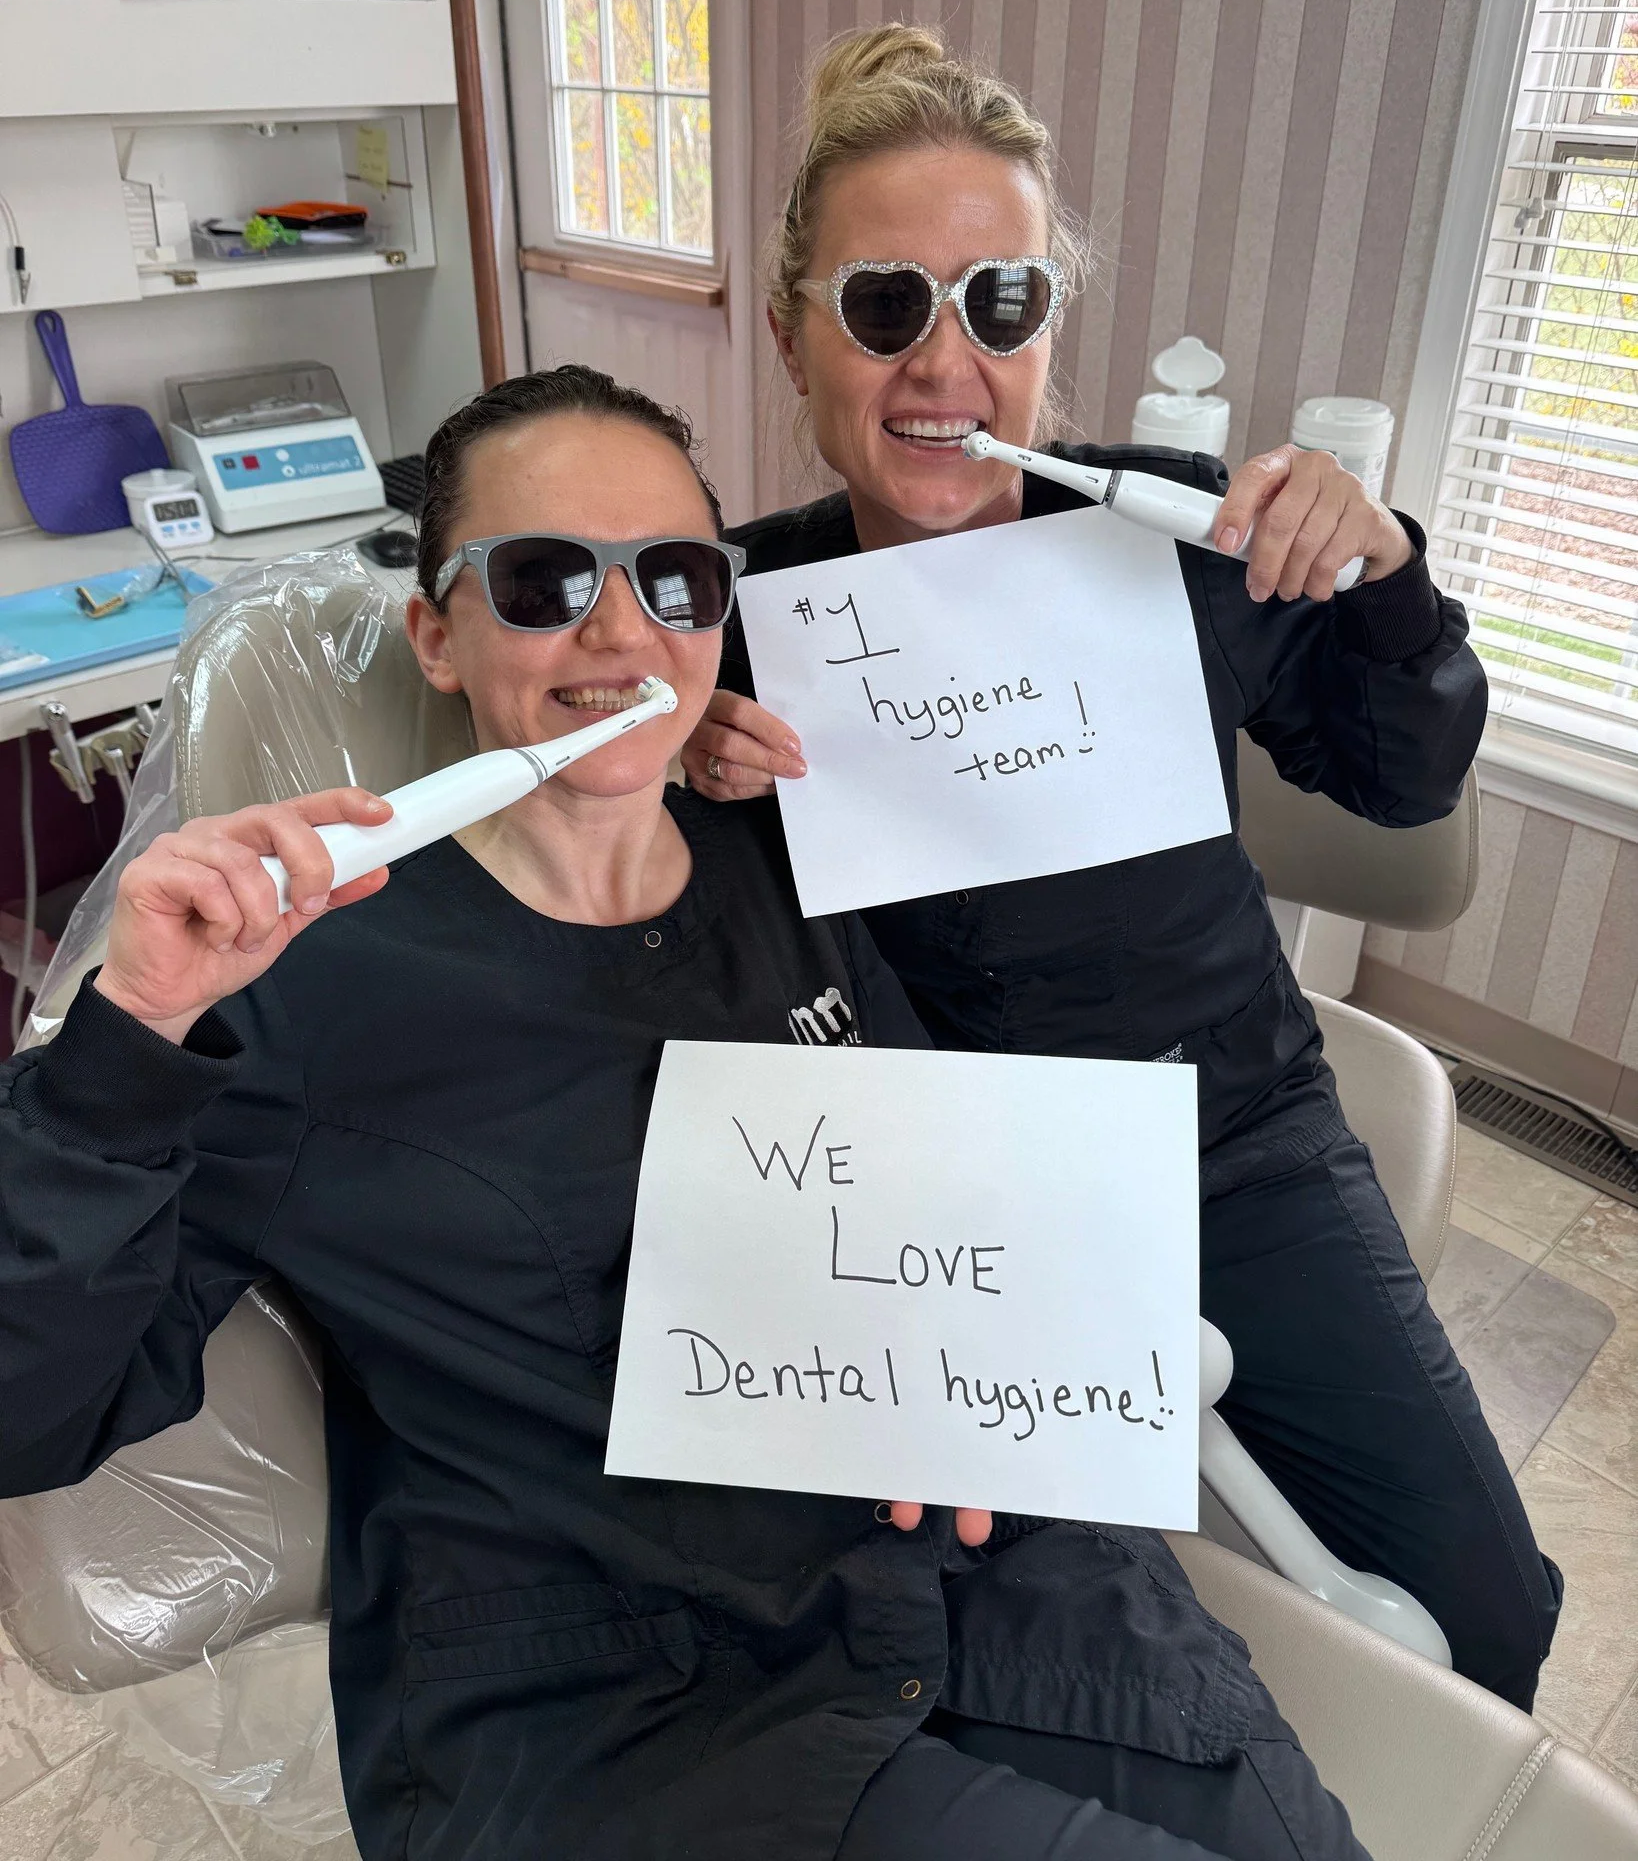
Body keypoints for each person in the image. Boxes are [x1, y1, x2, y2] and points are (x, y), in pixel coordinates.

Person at [0, 366, 1368, 1861]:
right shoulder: (299, 989)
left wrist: (993, 1380)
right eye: (542, 580)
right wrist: (131, 1039)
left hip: (997, 1588)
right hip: (634, 1716)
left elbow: (949, 1186)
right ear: (437, 636)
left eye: (676, 579)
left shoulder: (794, 870)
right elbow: (28, 1410)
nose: (620, 632)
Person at [682, 23, 1561, 1713]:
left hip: (1226, 1137)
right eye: (883, 304)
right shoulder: (729, 614)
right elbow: (641, 954)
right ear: (793, 335)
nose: (944, 362)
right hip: (928, 1191)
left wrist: (1380, 570)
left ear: (1046, 336)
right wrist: (681, 786)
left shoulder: (1178, 539)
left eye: (999, 304)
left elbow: (1401, 778)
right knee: (1009, 1679)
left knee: (1482, 1622)